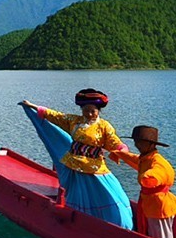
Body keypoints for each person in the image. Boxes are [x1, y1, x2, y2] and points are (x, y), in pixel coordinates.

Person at [19, 88, 134, 229]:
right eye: (86, 110)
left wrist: (121, 149)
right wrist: (33, 106)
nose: (89, 114)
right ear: (81, 110)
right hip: (74, 165)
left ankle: (116, 222)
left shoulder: (104, 126)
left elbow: (113, 141)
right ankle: (78, 216)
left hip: (94, 167)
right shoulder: (74, 121)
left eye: (93, 111)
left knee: (108, 191)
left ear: (99, 110)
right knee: (78, 193)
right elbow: (56, 116)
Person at [111, 125, 176, 238]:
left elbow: (160, 173)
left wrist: (148, 177)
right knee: (155, 233)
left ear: (151, 144)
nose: (137, 146)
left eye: (141, 143)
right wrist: (119, 154)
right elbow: (135, 160)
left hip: (159, 206)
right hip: (151, 204)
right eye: (136, 142)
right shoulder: (146, 158)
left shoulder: (157, 161)